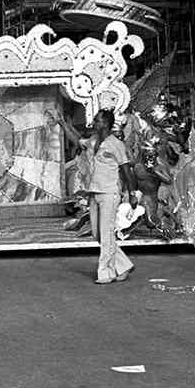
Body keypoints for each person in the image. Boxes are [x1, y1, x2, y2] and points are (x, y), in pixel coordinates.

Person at [50, 108, 138, 284]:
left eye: (97, 120)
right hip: (94, 192)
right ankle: (123, 265)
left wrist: (133, 193)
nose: (94, 123)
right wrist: (62, 123)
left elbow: (126, 170)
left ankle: (106, 273)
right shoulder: (93, 141)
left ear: (105, 123)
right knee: (98, 233)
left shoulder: (116, 144)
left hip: (110, 193)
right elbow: (76, 140)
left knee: (106, 234)